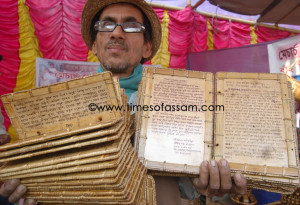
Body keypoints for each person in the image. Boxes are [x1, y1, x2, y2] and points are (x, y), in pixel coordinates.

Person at [0, 0, 247, 204]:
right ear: (95, 45)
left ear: (148, 47)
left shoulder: (182, 104)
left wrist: (215, 182)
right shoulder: (60, 110)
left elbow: (198, 179)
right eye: (107, 25)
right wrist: (33, 191)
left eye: (131, 26)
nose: (117, 33)